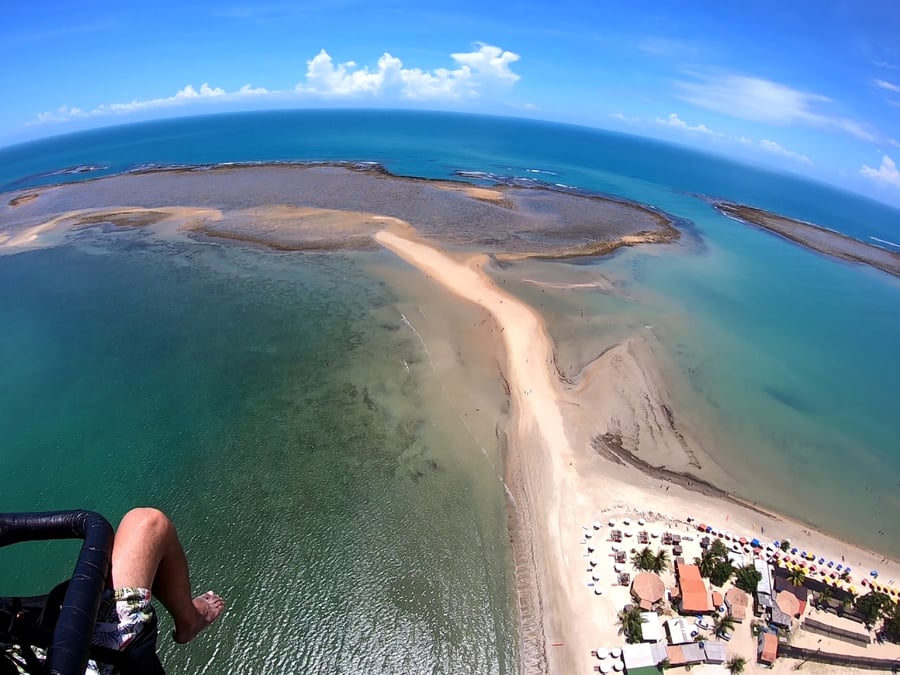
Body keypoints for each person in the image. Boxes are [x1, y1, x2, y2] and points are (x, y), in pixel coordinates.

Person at [89, 508, 225, 672]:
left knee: (148, 523)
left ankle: (188, 620)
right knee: (151, 525)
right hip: (93, 657)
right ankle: (190, 619)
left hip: (73, 625)